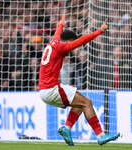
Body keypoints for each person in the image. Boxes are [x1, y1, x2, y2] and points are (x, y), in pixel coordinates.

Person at [38, 15, 120, 146]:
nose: (72, 48)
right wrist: (100, 31)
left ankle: (67, 128)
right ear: (69, 40)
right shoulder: (61, 47)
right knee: (87, 102)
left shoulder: (52, 43)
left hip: (44, 90)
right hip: (51, 89)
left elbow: (57, 34)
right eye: (71, 43)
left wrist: (60, 25)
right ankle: (100, 135)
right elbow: (81, 41)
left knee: (80, 103)